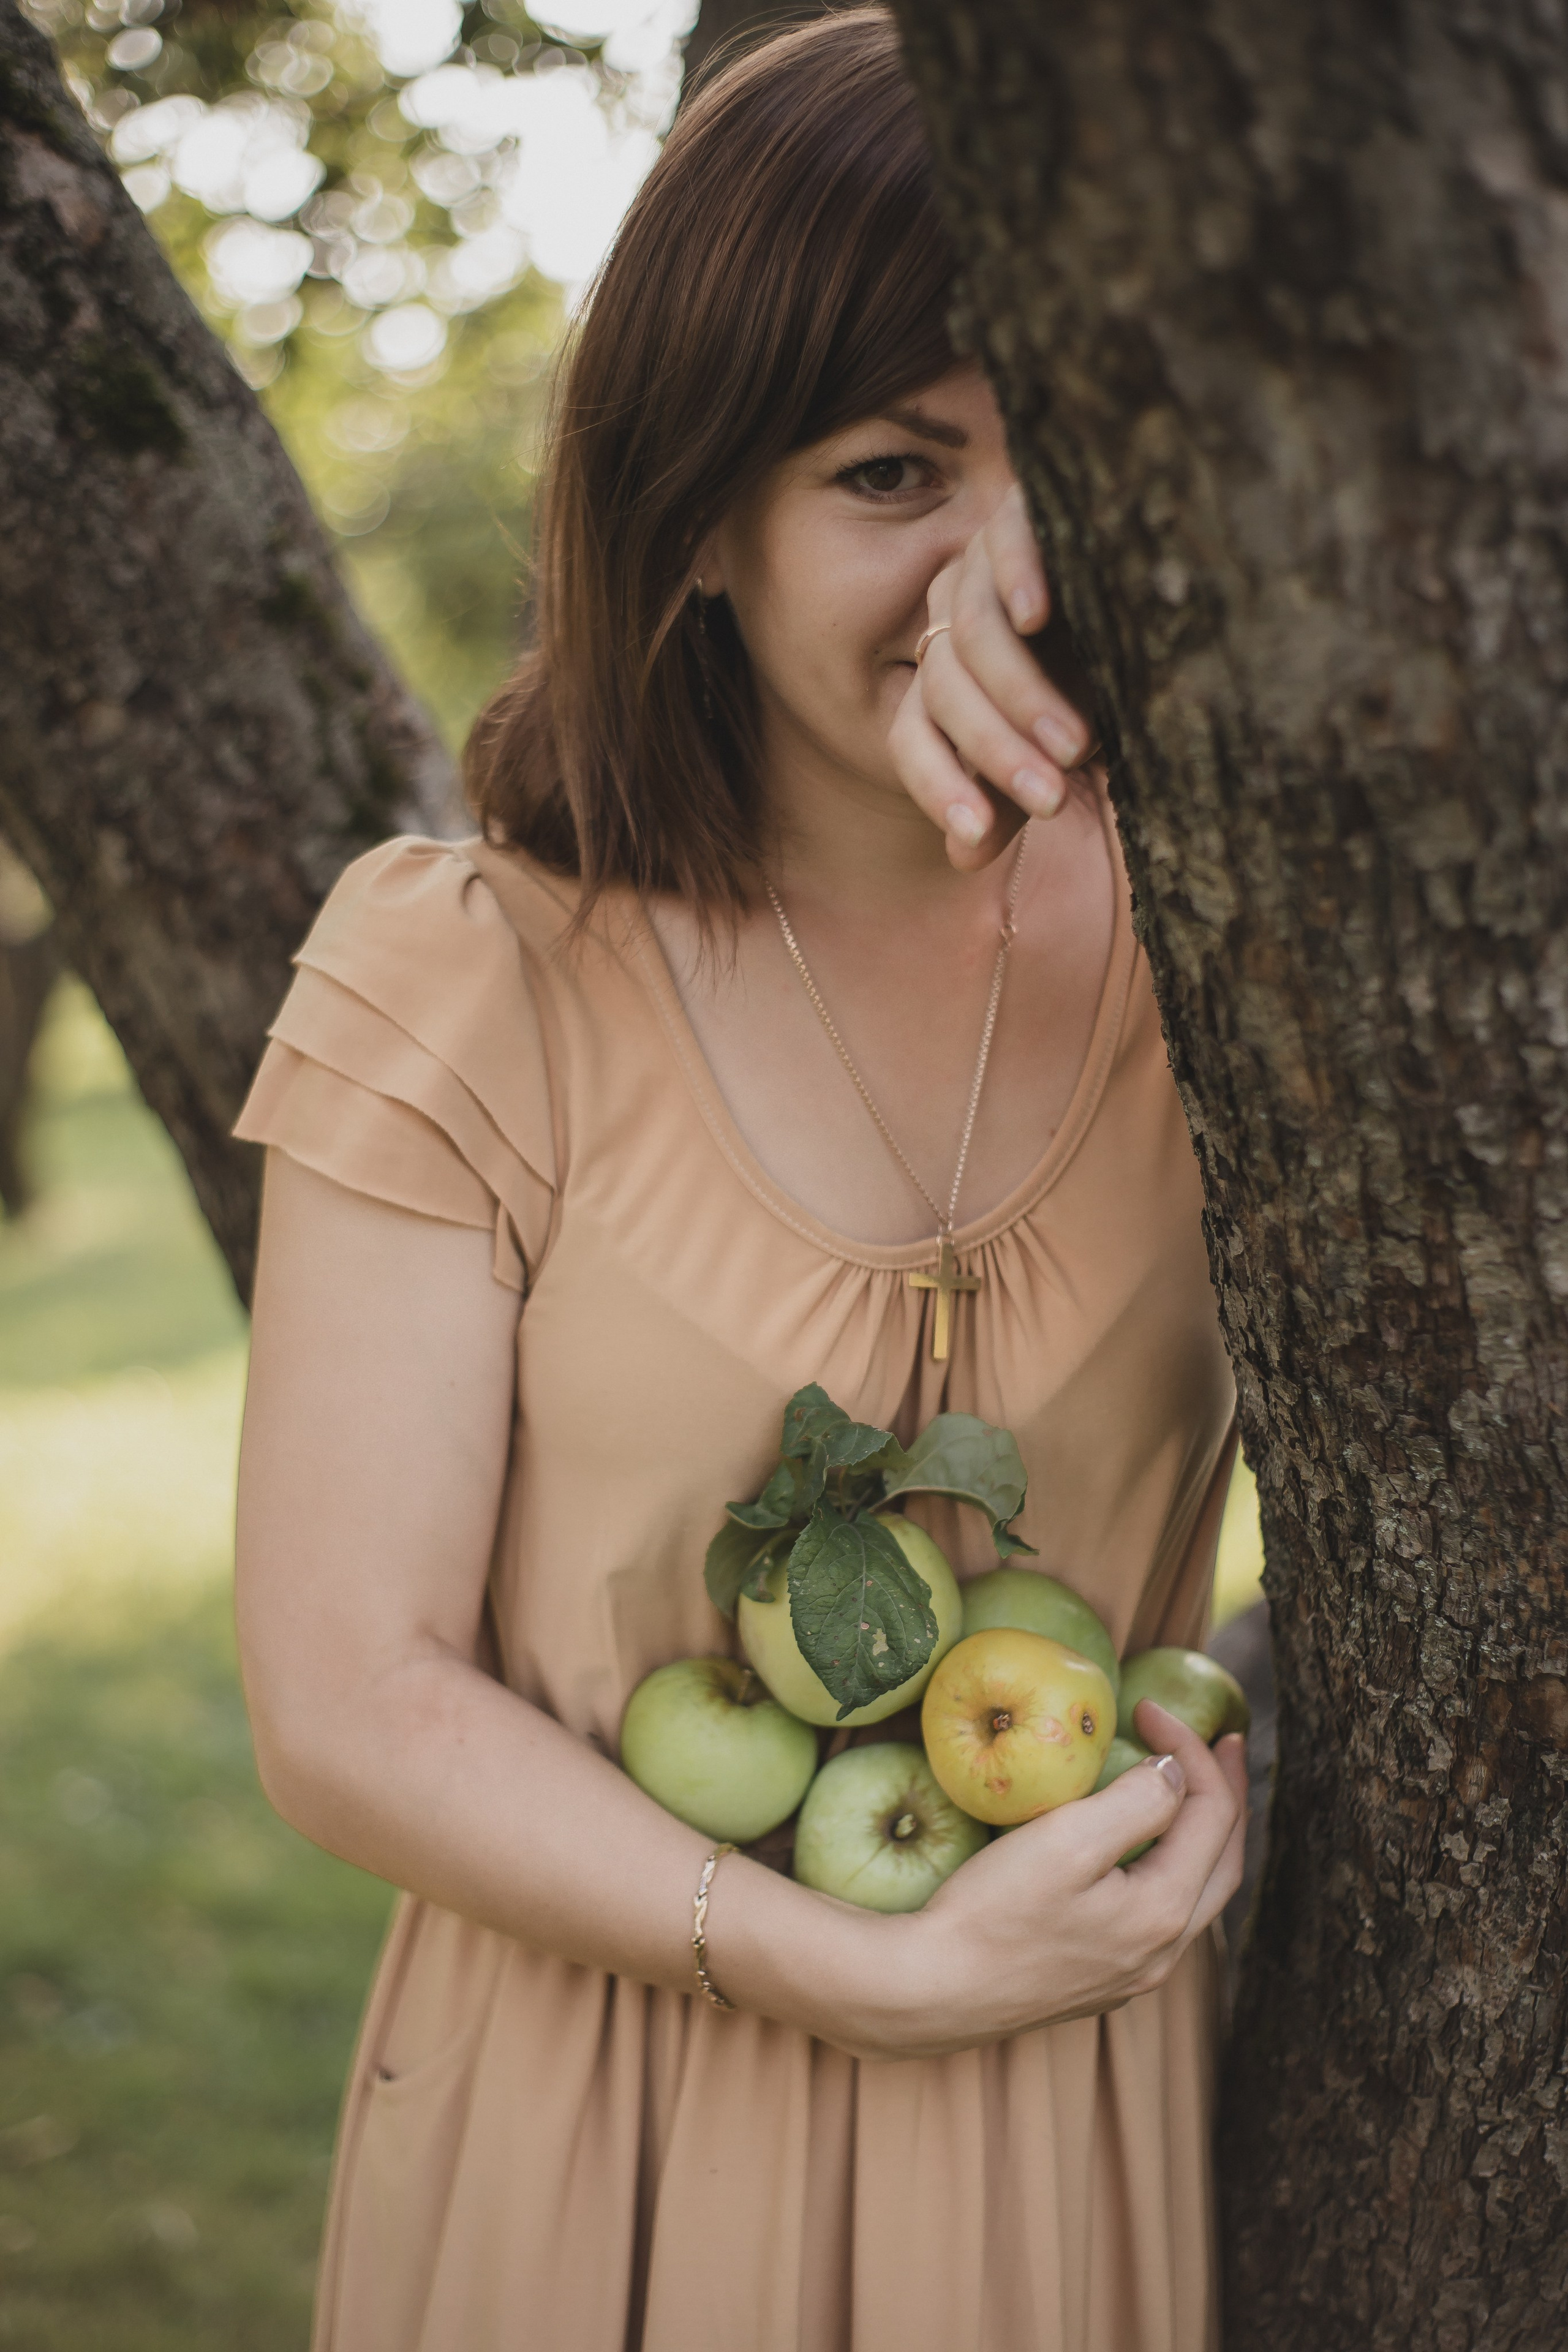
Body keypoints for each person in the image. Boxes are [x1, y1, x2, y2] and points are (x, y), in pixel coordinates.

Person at [232, 12, 1247, 2348]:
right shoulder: (470, 969)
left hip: (1077, 2134)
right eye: (894, 473)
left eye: (1070, 460)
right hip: (600, 2124)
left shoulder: (1279, 971)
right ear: (698, 520)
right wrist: (846, 1973)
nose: (1013, 569)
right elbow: (344, 1693)